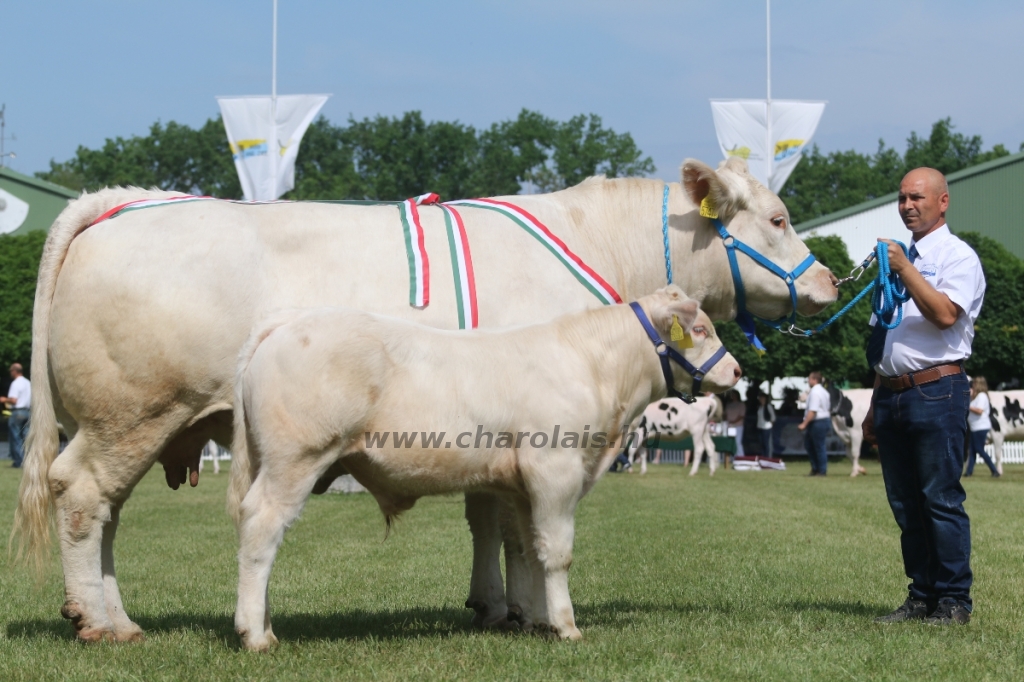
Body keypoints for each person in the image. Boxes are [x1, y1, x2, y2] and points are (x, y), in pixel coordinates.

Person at [863, 167, 986, 626]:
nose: (907, 206)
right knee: (905, 504)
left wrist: (904, 268)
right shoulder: (896, 265)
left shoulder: (958, 257)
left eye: (916, 197)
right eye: (901, 199)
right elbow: (886, 338)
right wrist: (877, 403)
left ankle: (954, 602)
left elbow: (945, 316)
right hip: (893, 394)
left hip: (938, 389)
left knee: (940, 499)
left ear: (943, 201)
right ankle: (921, 596)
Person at [798, 371, 831, 475]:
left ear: (815, 380)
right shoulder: (824, 391)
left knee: (818, 446)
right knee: (811, 445)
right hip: (824, 420)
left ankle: (821, 470)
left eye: (810, 379)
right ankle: (817, 468)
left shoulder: (815, 392)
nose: (808, 381)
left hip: (817, 422)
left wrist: (804, 423)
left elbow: (813, 410)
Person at [966, 376, 999, 477]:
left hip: (981, 427)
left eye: (975, 383)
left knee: (979, 449)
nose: (973, 385)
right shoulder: (977, 396)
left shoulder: (982, 396)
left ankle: (994, 470)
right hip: (975, 427)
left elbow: (979, 411)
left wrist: (967, 406)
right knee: (972, 450)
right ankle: (969, 472)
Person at [2, 363, 31, 468]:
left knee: (15, 437)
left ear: (15, 371)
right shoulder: (28, 383)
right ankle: (28, 461)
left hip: (17, 412)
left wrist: (4, 399)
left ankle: (19, 462)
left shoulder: (16, 383)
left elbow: (14, 400)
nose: (10, 373)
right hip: (28, 412)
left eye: (11, 371)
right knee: (26, 438)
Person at [724, 390, 746, 459]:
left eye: (734, 395)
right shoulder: (728, 405)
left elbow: (742, 415)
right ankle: (731, 458)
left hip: (738, 426)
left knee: (737, 442)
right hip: (729, 426)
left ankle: (741, 457)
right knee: (730, 442)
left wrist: (734, 421)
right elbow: (725, 414)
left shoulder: (741, 404)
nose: (733, 397)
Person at [756, 390, 775, 457]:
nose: (761, 399)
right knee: (761, 443)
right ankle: (763, 456)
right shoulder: (759, 407)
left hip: (766, 427)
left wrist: (770, 424)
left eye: (762, 398)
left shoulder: (768, 406)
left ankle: (767, 457)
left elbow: (773, 417)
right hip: (760, 427)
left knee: (766, 443)